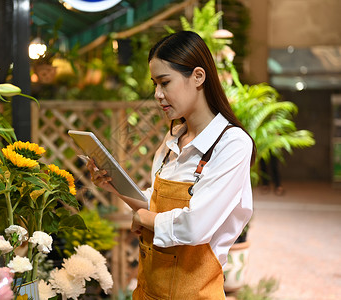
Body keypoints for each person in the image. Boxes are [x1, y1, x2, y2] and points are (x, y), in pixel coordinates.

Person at [87, 31, 256, 299]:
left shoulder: (232, 144)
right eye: (155, 84)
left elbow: (195, 226)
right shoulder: (173, 139)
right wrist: (113, 184)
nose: (157, 94)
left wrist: (145, 218)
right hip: (147, 291)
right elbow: (156, 206)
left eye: (165, 82)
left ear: (198, 77)